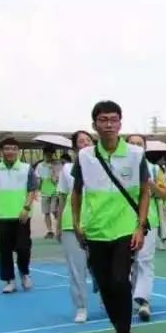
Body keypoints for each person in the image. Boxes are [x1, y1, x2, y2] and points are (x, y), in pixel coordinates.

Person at [71, 101, 150, 333]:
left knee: (119, 281)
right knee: (104, 286)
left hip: (124, 229)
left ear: (120, 123)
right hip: (95, 231)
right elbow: (77, 192)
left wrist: (139, 226)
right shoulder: (84, 156)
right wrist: (77, 223)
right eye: (103, 120)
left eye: (113, 119)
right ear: (94, 124)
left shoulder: (136, 154)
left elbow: (145, 191)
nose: (108, 124)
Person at [0, 138, 39, 293]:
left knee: (23, 248)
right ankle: (9, 280)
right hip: (2, 216)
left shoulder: (27, 169)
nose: (10, 151)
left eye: (13, 148)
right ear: (2, 151)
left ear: (18, 151)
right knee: (4, 250)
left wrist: (26, 208)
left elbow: (32, 190)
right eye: (7, 148)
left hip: (22, 216)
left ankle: (24, 273)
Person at [125, 134, 166, 322]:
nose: (135, 146)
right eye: (132, 143)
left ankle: (143, 301)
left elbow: (163, 194)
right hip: (122, 221)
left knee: (144, 261)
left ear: (145, 147)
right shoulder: (119, 167)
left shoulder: (153, 168)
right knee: (127, 263)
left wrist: (150, 183)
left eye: (139, 144)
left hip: (147, 221)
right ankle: (130, 297)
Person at [58, 131, 94, 322]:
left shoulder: (101, 165)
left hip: (99, 222)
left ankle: (107, 298)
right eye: (81, 141)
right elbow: (63, 196)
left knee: (103, 267)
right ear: (74, 147)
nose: (85, 143)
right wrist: (58, 225)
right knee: (76, 268)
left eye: (88, 140)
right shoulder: (67, 169)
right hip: (71, 223)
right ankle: (81, 307)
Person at [33, 147, 60, 239]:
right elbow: (38, 179)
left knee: (54, 210)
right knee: (46, 212)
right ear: (44, 155)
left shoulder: (57, 164)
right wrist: (35, 191)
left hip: (56, 191)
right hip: (45, 191)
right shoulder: (40, 165)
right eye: (46, 154)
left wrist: (54, 171)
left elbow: (59, 179)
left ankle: (60, 228)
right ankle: (50, 231)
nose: (48, 156)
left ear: (53, 154)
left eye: (50, 154)